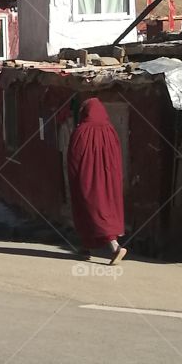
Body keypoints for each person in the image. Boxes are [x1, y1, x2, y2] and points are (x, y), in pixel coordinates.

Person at [67, 97, 126, 265]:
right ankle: (86, 246)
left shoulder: (81, 131)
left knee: (92, 208)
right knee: (105, 207)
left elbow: (74, 158)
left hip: (86, 180)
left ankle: (115, 247)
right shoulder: (110, 131)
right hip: (109, 181)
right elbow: (117, 158)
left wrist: (75, 178)